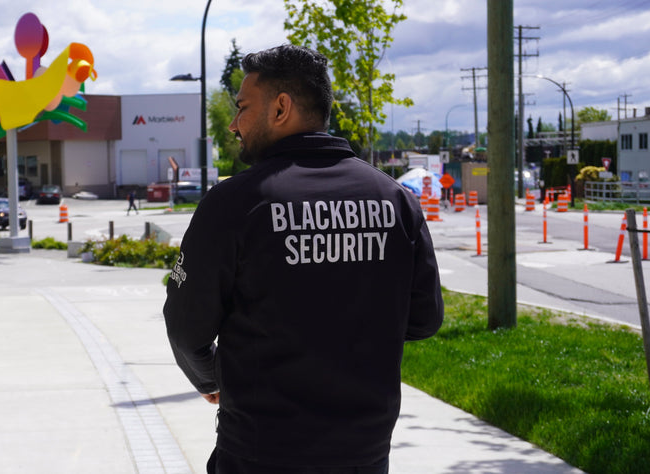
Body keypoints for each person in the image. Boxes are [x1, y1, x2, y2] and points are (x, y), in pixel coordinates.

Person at [163, 44, 443, 473]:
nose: (235, 124)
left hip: (262, 452)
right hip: (364, 451)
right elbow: (424, 319)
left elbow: (187, 327)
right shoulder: (395, 200)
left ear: (280, 109)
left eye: (242, 107)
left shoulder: (235, 203)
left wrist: (210, 379)